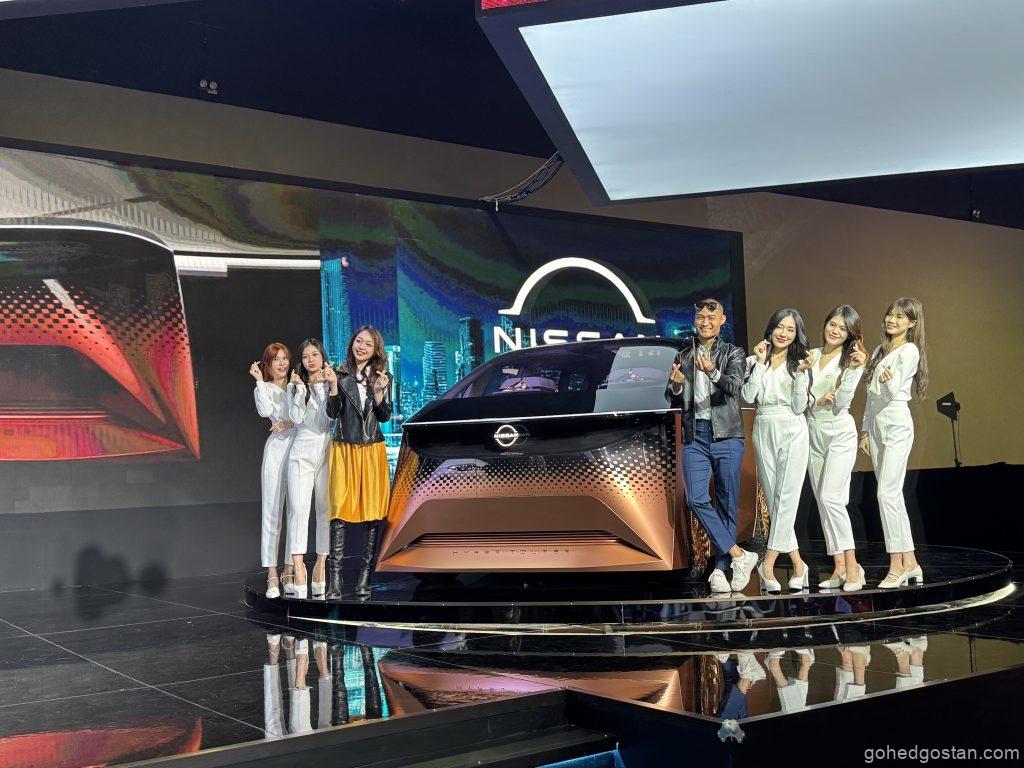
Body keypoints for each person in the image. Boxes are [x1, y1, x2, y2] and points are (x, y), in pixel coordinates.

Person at [665, 298, 757, 594]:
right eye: (700, 317)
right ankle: (740, 555)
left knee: (727, 503)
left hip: (727, 435)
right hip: (695, 435)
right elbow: (672, 396)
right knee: (696, 499)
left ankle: (720, 569)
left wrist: (713, 372)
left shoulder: (733, 352)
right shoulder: (684, 354)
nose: (705, 322)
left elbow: (735, 387)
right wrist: (676, 385)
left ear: (722, 320)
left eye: (711, 317)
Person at [741, 308, 813, 591]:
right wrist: (760, 364)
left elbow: (799, 406)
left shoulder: (800, 363)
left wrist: (801, 375)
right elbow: (747, 397)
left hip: (792, 427)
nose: (783, 333)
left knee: (787, 498)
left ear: (797, 335)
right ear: (770, 329)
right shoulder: (753, 360)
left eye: (790, 329)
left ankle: (767, 562)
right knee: (775, 501)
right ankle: (798, 563)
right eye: (780, 327)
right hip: (763, 425)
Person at [860, 298, 929, 588]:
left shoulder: (910, 350)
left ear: (912, 323)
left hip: (897, 423)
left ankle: (897, 565)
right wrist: (865, 430)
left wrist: (887, 381)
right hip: (877, 425)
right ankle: (911, 563)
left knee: (886, 494)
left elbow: (891, 392)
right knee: (893, 497)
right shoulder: (879, 350)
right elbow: (871, 395)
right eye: (890, 314)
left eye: (900, 317)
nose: (892, 320)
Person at [324, 325, 393, 599]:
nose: (361, 347)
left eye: (368, 344)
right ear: (352, 343)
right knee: (339, 512)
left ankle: (365, 578)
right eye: (359, 341)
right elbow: (333, 413)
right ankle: (335, 580)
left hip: (372, 448)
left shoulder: (383, 376)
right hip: (344, 448)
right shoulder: (339, 375)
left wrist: (378, 393)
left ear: (376, 350)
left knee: (372, 514)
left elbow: (385, 416)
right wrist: (332, 386)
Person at [806, 307, 868, 592]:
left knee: (832, 498)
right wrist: (816, 400)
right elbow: (799, 397)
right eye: (833, 324)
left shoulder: (851, 360)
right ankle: (839, 567)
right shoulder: (810, 356)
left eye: (843, 329)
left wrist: (854, 370)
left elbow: (843, 402)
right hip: (812, 431)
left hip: (839, 432)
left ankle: (853, 566)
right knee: (823, 501)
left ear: (850, 335)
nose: (835, 331)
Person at [285, 339, 333, 599]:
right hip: (301, 449)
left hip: (326, 449)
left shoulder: (332, 383)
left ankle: (321, 565)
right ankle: (299, 565)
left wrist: (325, 387)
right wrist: (301, 389)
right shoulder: (296, 386)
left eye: (315, 354)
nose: (311, 360)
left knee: (324, 510)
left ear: (322, 357)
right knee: (299, 509)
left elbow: (331, 416)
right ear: (301, 361)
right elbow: (296, 418)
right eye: (305, 356)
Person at [251, 343, 296, 598]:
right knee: (271, 512)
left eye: (285, 358)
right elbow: (265, 411)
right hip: (276, 450)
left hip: (299, 449)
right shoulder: (265, 388)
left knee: (295, 513)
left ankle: (289, 570)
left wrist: (289, 422)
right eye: (276, 359)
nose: (282, 363)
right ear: (267, 364)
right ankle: (271, 574)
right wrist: (259, 381)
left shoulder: (297, 385)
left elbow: (306, 417)